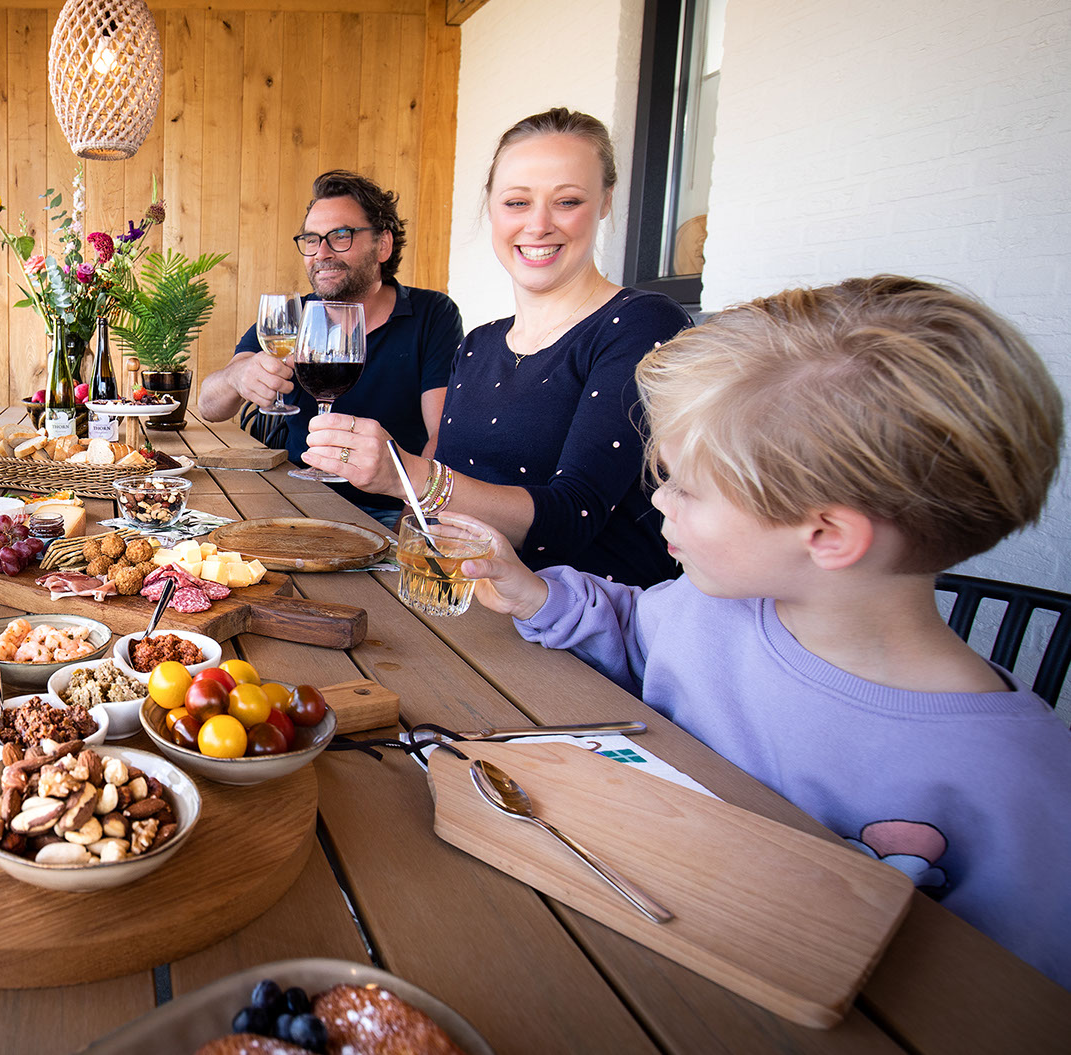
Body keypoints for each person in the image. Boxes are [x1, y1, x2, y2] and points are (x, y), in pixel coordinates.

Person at [451, 275, 1071, 988]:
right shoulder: (708, 609)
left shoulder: (1023, 788)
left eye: (685, 485)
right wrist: (534, 593)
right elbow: (631, 630)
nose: (658, 499)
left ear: (826, 534)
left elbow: (1014, 1008)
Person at [307, 110, 691, 585]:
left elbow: (575, 518)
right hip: (466, 609)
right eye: (517, 203)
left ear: (605, 201)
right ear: (492, 207)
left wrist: (403, 474)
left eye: (567, 201)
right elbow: (445, 512)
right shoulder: (478, 344)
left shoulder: (641, 324)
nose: (538, 225)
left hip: (579, 637)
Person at [197, 171, 462, 525]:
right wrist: (239, 376)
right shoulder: (295, 314)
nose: (321, 252)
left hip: (390, 508)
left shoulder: (432, 314)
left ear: (383, 245)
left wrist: (412, 524)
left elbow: (441, 436)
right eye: (311, 239)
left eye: (340, 236)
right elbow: (208, 406)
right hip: (293, 495)